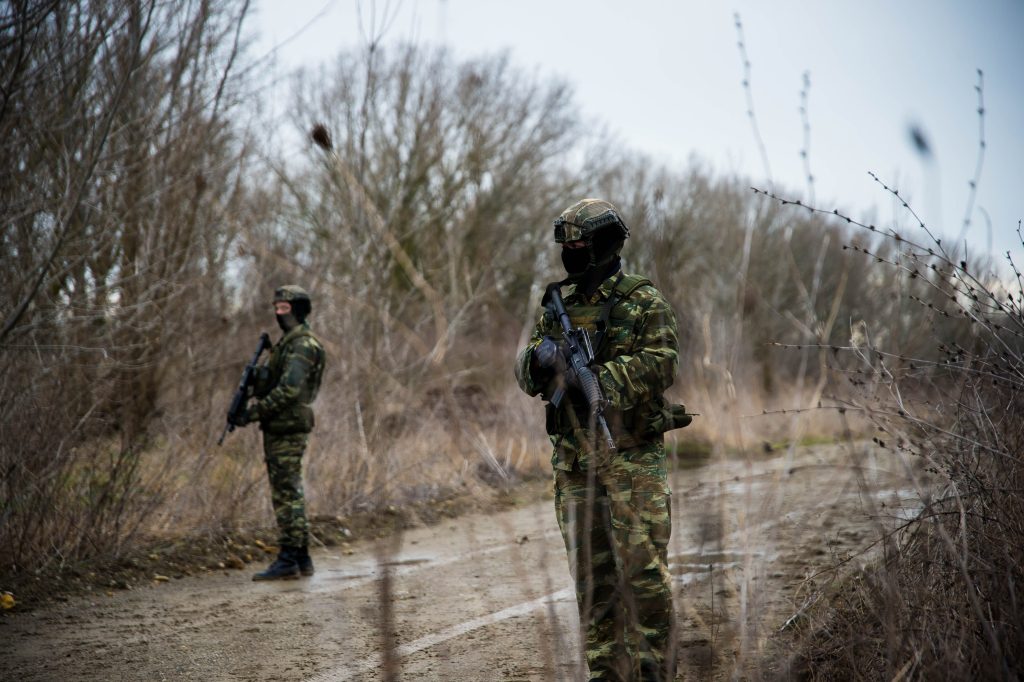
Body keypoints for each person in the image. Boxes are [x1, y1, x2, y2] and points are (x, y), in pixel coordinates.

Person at [515, 199, 682, 681]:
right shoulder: (556, 305)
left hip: (632, 454)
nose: (570, 251)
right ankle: (606, 671)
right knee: (592, 579)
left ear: (605, 243)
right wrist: (543, 358)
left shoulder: (643, 300)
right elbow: (527, 374)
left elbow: (662, 362)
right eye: (564, 243)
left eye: (579, 243)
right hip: (573, 458)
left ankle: (653, 672)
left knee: (644, 574)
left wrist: (597, 381)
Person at [234, 285, 326, 581]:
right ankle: (301, 558)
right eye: (275, 307)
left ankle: (289, 558)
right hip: (279, 424)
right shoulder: (288, 342)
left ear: (298, 308)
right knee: (289, 491)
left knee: (287, 494)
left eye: (284, 307)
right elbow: (274, 383)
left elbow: (289, 389)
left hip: (288, 424)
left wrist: (252, 414)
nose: (278, 312)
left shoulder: (303, 344)